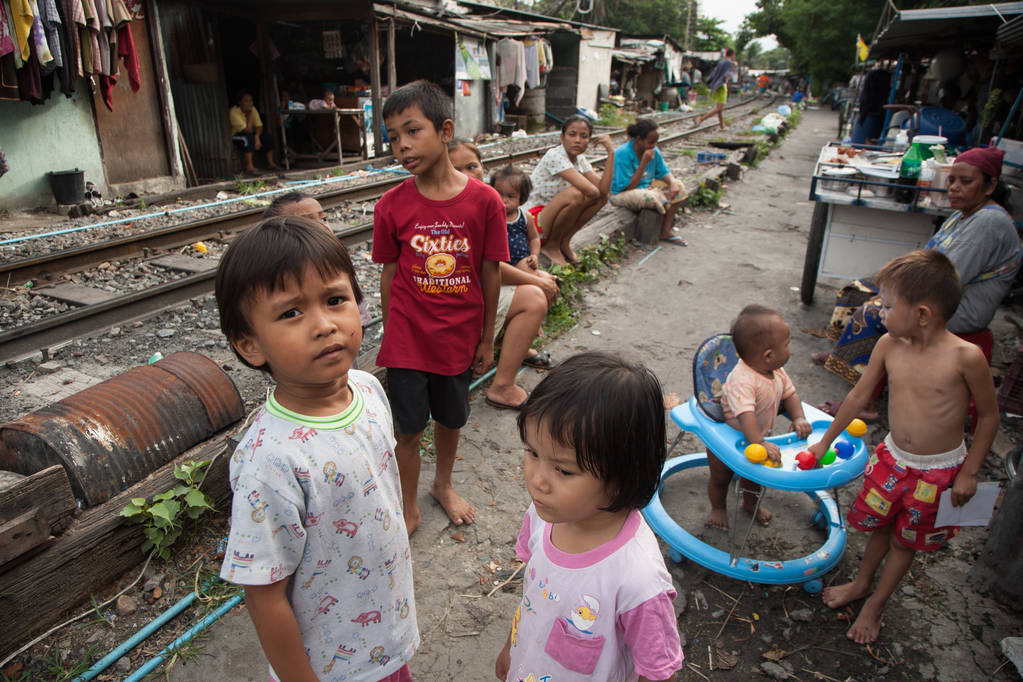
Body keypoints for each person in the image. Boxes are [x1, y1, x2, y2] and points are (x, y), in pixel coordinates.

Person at [214, 217, 418, 681]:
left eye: (335, 300)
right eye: (291, 312)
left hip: (387, 637)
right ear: (249, 345)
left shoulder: (368, 390)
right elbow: (264, 595)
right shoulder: (271, 460)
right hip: (330, 668)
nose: (325, 325)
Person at [808, 250, 999, 645]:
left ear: (923, 315)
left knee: (903, 539)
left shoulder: (967, 357)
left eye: (889, 305)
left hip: (938, 470)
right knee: (880, 527)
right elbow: (859, 397)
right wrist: (824, 441)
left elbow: (989, 417)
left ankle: (876, 603)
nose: (878, 311)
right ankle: (862, 583)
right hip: (894, 459)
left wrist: (971, 471)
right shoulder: (889, 347)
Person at [495, 352, 685, 681]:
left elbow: (657, 671)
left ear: (623, 477)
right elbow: (533, 600)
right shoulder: (544, 515)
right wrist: (511, 647)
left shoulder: (638, 579)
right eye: (532, 453)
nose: (537, 480)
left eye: (563, 470)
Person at [373, 81, 509, 534]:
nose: (402, 145)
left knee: (452, 418)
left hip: (459, 337)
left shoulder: (484, 201)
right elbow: (390, 275)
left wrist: (486, 338)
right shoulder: (391, 206)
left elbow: (489, 273)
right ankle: (408, 504)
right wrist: (391, 335)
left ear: (445, 129)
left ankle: (443, 485)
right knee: (407, 430)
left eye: (412, 131)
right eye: (393, 136)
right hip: (409, 339)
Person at [814, 146, 1020, 420]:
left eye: (966, 182)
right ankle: (847, 355)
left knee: (874, 310)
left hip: (956, 305)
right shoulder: (963, 214)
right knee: (856, 290)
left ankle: (865, 401)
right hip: (931, 289)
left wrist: (892, 294)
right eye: (951, 180)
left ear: (990, 185)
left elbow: (947, 277)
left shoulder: (990, 223)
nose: (955, 188)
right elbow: (928, 259)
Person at [448, 142, 558, 410]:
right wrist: (537, 280)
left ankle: (516, 347)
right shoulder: (457, 209)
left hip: (482, 287)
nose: (467, 174)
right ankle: (503, 386)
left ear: (483, 168)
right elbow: (489, 266)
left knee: (539, 285)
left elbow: (498, 261)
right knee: (534, 295)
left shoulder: (484, 203)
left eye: (472, 166)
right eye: (456, 168)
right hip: (465, 296)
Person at [706, 305, 812, 530]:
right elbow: (746, 416)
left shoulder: (776, 371)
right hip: (728, 438)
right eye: (787, 344)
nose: (790, 348)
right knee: (720, 478)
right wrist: (761, 442)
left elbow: (790, 394)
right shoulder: (743, 380)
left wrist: (799, 417)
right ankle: (718, 508)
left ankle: (750, 504)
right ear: (769, 355)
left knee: (755, 477)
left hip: (755, 438)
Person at [262, 192, 374, 349]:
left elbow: (359, 323)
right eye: (306, 222)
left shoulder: (339, 267)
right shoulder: (271, 280)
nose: (323, 226)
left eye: (324, 219)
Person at [523, 115, 615, 266]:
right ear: (562, 137)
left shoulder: (579, 159)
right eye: (572, 134)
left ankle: (564, 241)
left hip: (548, 217)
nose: (578, 140)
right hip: (532, 222)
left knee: (602, 199)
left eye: (584, 136)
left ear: (589, 140)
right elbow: (592, 191)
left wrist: (611, 153)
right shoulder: (555, 155)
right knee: (576, 194)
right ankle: (551, 246)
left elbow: (603, 192)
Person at [610, 118, 689, 246]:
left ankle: (665, 231)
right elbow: (628, 187)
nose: (654, 146)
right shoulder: (623, 153)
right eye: (650, 142)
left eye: (656, 142)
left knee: (678, 186)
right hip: (621, 193)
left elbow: (663, 171)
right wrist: (643, 163)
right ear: (639, 140)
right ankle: (653, 225)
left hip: (646, 187)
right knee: (651, 197)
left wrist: (672, 183)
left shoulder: (653, 150)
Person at [230, 90, 278, 175]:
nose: (249, 103)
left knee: (267, 137)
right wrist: (250, 116)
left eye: (251, 101)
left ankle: (271, 163)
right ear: (239, 102)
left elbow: (259, 126)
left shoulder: (252, 109)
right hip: (236, 135)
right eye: (246, 101)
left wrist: (257, 136)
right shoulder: (234, 112)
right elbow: (247, 130)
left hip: (251, 133)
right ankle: (249, 166)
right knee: (247, 138)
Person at [694, 48, 736, 131]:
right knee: (719, 108)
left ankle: (722, 126)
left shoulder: (721, 61)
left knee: (719, 108)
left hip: (717, 85)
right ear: (732, 55)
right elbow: (730, 73)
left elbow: (715, 73)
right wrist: (735, 65)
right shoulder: (730, 63)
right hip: (722, 86)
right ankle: (700, 119)